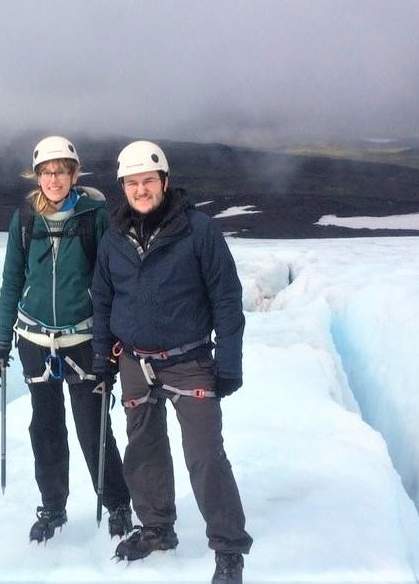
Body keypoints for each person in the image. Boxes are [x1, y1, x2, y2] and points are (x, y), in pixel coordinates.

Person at [91, 140, 252, 583]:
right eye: (132, 183)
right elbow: (102, 301)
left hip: (190, 358)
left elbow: (226, 297)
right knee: (143, 449)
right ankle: (157, 528)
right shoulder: (113, 238)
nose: (140, 190)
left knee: (204, 454)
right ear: (123, 187)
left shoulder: (198, 231)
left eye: (148, 181)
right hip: (134, 361)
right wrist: (102, 359)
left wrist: (229, 361)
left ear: (164, 181)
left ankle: (228, 546)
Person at [0, 135, 132, 544]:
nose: (54, 179)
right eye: (46, 172)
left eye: (61, 171)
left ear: (74, 174)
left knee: (94, 427)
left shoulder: (96, 217)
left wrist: (111, 342)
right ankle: (53, 506)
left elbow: (111, 283)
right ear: (37, 176)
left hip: (84, 338)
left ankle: (117, 503)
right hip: (34, 338)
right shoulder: (24, 219)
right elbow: (11, 282)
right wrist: (4, 341)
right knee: (46, 426)